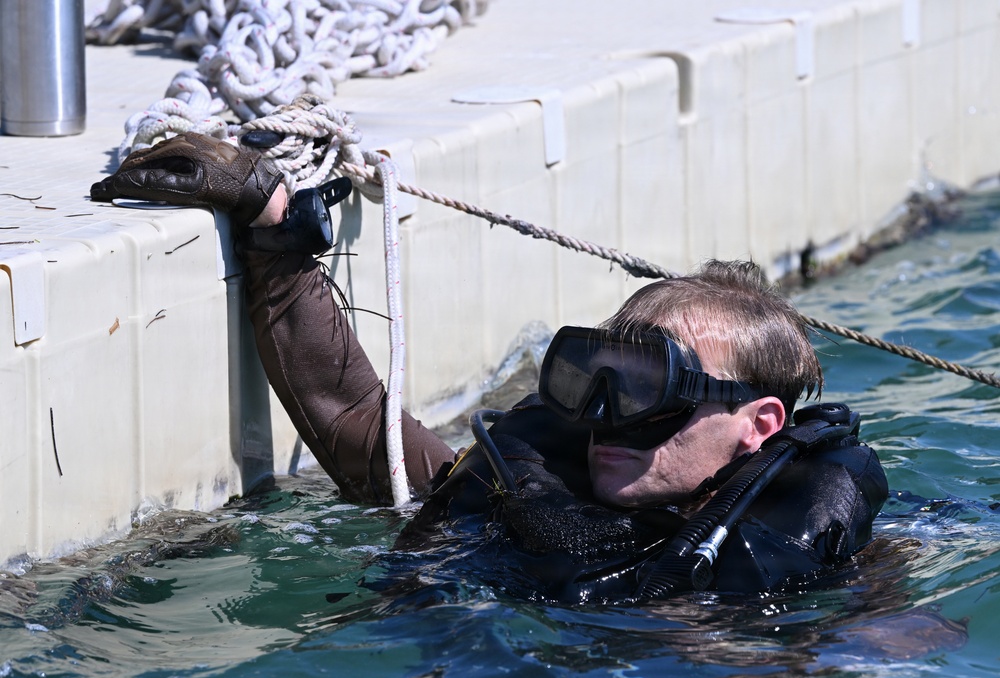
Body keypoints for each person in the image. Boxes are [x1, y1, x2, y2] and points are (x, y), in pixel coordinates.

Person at [92, 132, 888, 603]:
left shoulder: (819, 544)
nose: (609, 416)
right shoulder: (537, 475)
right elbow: (360, 424)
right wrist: (273, 223)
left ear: (759, 426)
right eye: (597, 377)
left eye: (648, 390)